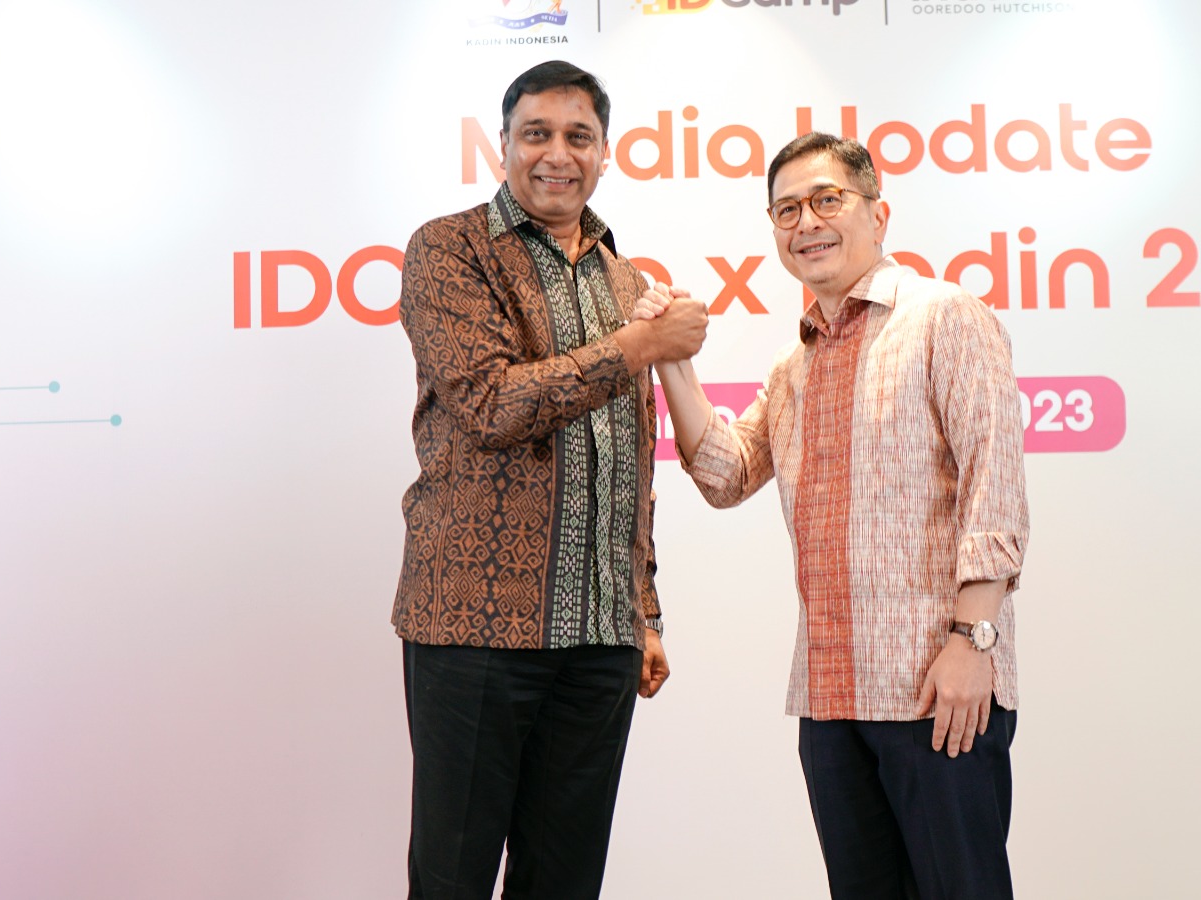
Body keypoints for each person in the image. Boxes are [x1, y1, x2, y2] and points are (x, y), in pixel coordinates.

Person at [639, 132, 1030, 899]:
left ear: (877, 214)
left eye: (827, 200)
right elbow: (724, 473)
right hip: (827, 696)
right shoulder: (795, 366)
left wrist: (971, 642)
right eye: (786, 210)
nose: (807, 222)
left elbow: (996, 487)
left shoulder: (945, 316)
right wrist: (670, 357)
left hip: (934, 687)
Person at [392, 60, 709, 900]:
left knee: (565, 881)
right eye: (537, 134)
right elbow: (491, 404)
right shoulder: (448, 249)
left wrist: (644, 611)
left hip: (601, 638)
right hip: (475, 625)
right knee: (452, 878)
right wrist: (639, 347)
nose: (557, 154)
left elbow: (632, 458)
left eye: (579, 136)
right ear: (503, 145)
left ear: (605, 152)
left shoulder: (624, 280)